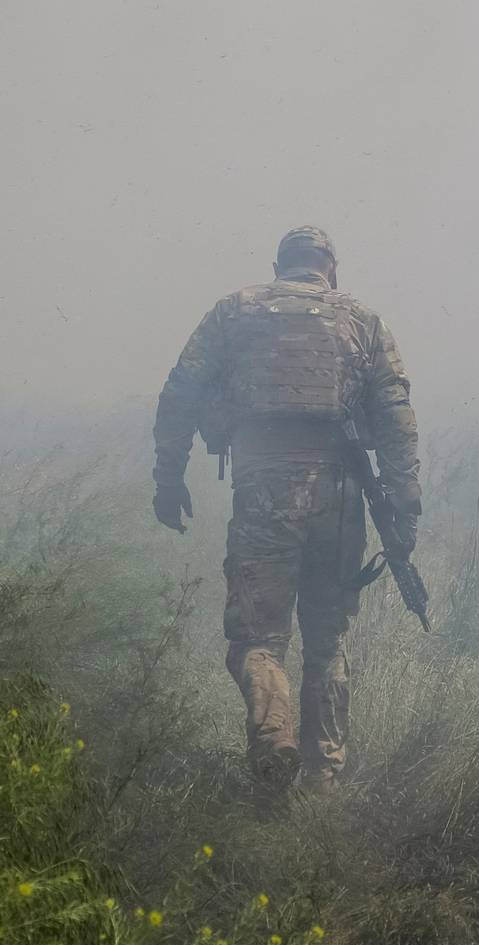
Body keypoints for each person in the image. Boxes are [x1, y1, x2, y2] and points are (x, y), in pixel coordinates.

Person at [151, 226, 422, 792]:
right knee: (327, 643)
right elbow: (396, 414)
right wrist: (404, 508)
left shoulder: (235, 311)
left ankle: (275, 740)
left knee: (257, 640)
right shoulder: (362, 319)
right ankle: (322, 779)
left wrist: (169, 478)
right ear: (331, 268)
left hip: (265, 489)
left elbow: (180, 392)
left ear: (278, 266)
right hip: (341, 495)